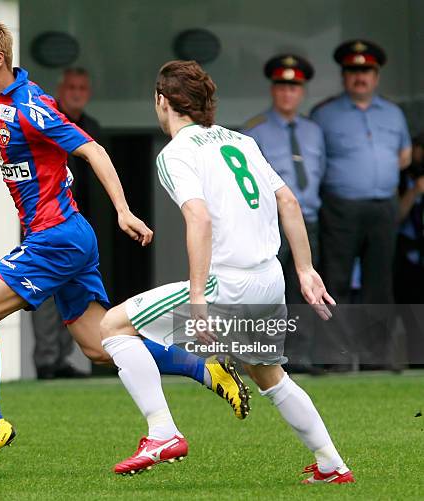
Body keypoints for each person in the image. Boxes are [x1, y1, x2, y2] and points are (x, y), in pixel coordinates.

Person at [0, 14, 248, 476]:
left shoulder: (32, 106)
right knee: (102, 347)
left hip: (56, 238)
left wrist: (122, 209)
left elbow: (92, 150)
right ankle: (205, 368)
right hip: (63, 239)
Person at [100, 60, 353, 484]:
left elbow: (198, 218)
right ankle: (332, 464)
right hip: (270, 276)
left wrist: (198, 298)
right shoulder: (243, 140)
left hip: (229, 281)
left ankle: (162, 433)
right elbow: (289, 203)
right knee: (269, 374)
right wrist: (305, 269)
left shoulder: (175, 153)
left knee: (113, 326)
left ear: (162, 101)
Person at [310, 40, 411, 366]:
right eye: (353, 71)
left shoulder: (393, 113)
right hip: (341, 207)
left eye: (366, 70)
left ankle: (375, 357)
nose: (360, 77)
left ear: (376, 76)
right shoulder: (324, 114)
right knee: (334, 281)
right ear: (344, 76)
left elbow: (404, 156)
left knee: (379, 284)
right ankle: (335, 357)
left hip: (383, 207)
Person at [242, 55, 325, 372]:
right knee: (268, 289)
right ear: (273, 90)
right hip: (270, 223)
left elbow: (321, 174)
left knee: (305, 287)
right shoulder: (254, 131)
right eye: (282, 86)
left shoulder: (314, 131)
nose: (288, 93)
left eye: (294, 87)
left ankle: (302, 356)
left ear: (302, 91)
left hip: (309, 221)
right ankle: (264, 354)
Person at [31, 68, 102, 380]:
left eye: (82, 87)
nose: (76, 92)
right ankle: (47, 361)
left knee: (72, 293)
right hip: (47, 220)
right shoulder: (46, 118)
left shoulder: (92, 128)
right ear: (61, 89)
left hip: (77, 223)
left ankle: (61, 358)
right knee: (45, 293)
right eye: (71, 87)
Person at [395, 133, 424, 365]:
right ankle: (416, 358)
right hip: (409, 254)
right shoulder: (403, 177)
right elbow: (396, 217)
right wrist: (415, 191)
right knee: (411, 310)